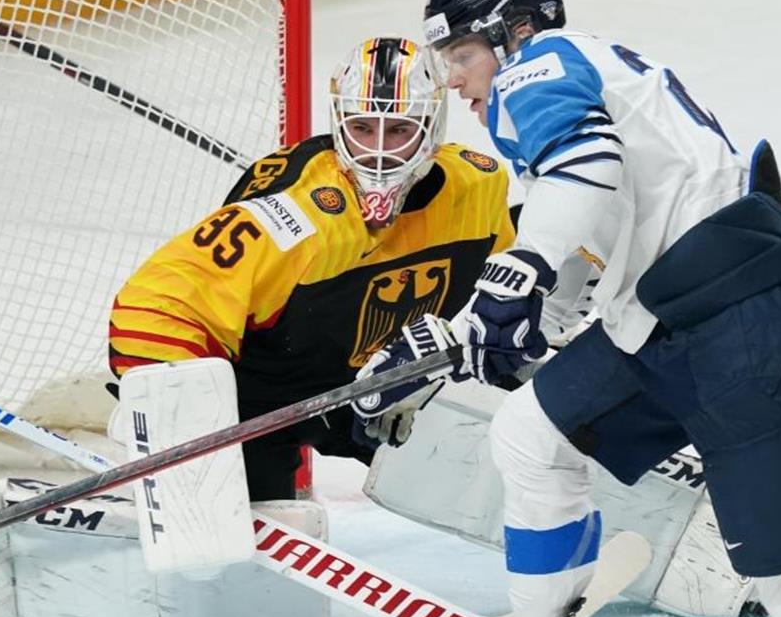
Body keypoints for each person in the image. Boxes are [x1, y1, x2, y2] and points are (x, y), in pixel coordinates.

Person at [371, 0, 781, 617]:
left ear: (512, 34)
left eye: (465, 51)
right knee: (531, 435)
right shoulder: (585, 78)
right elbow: (597, 232)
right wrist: (483, 328)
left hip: (741, 331)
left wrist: (514, 282)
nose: (453, 76)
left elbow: (587, 170)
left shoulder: (535, 68)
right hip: (674, 322)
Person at [108, 35, 516, 501]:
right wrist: (171, 409)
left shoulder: (477, 187)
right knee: (242, 552)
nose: (378, 151)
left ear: (433, 127)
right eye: (363, 128)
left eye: (399, 131)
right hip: (259, 405)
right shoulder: (300, 213)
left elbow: (503, 288)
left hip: (378, 392)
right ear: (339, 123)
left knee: (509, 464)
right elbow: (154, 303)